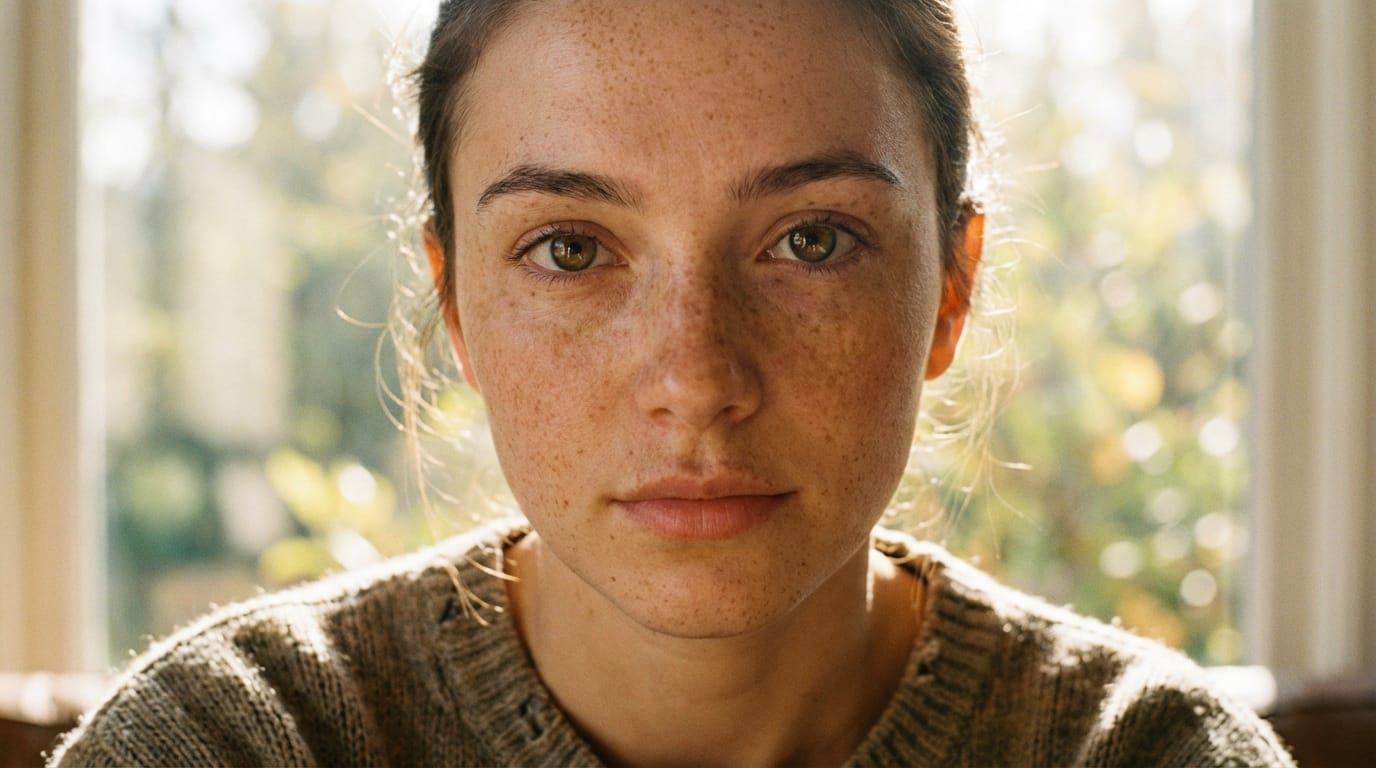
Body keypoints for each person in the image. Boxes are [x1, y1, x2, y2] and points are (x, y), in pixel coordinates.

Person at [51, 0, 1293, 765]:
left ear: (950, 289)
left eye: (810, 240)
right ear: (456, 307)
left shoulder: (1145, 757)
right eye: (570, 251)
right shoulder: (239, 746)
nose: (696, 381)